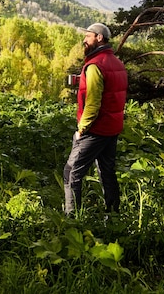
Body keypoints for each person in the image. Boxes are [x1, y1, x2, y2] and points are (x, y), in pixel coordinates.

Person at [63, 23, 128, 217]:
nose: (84, 39)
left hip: (95, 130)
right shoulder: (117, 63)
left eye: (88, 36)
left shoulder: (95, 65)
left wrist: (82, 129)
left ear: (99, 38)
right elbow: (112, 93)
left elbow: (93, 103)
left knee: (71, 172)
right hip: (112, 128)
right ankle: (113, 215)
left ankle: (72, 219)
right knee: (107, 172)